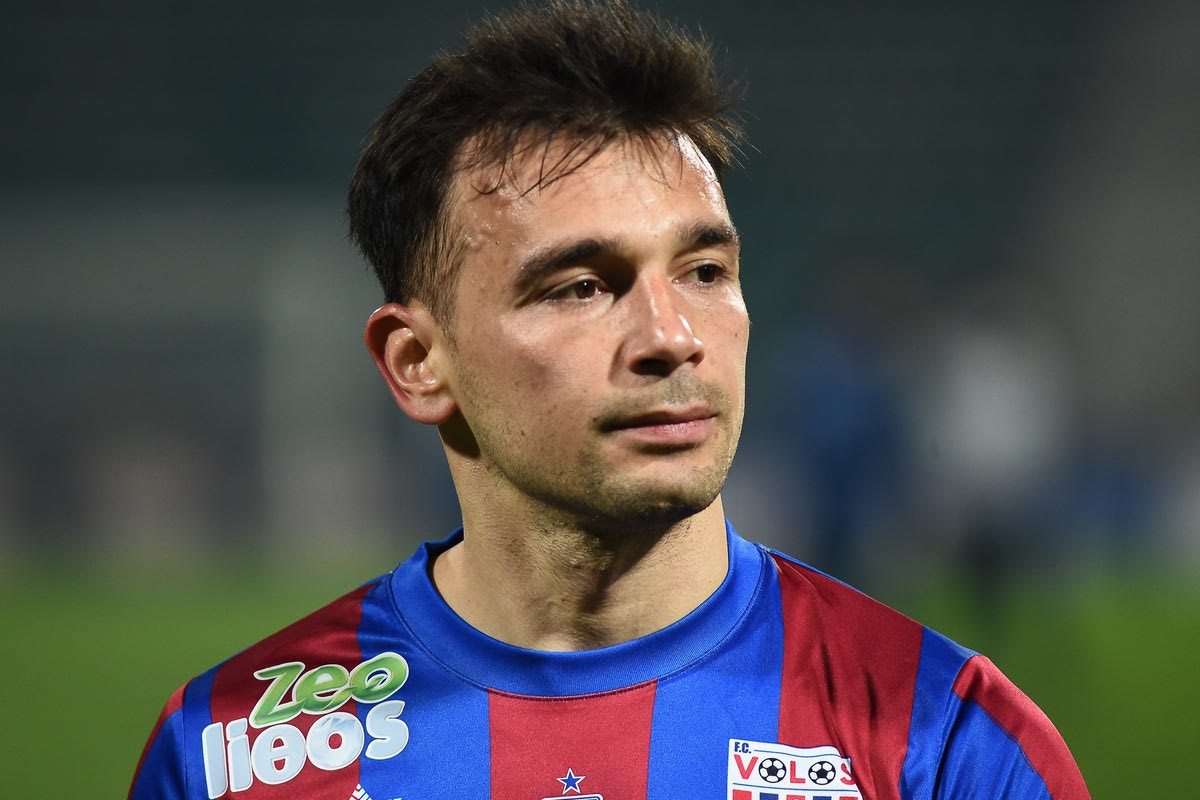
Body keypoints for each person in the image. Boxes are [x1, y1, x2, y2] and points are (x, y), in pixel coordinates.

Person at [128, 2, 1090, 798]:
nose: (672, 336)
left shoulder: (946, 744)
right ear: (418, 362)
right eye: (582, 286)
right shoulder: (227, 759)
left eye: (705, 271)